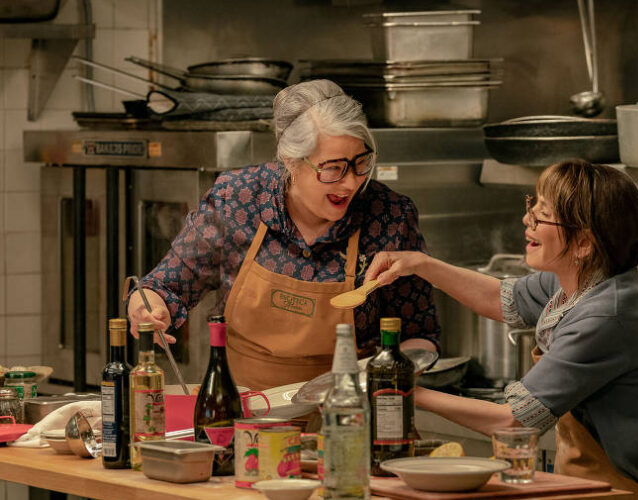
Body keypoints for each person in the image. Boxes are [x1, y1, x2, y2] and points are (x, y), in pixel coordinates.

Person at [365, 160, 638, 500]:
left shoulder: (605, 317)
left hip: (629, 492)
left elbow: (514, 423)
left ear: (583, 244)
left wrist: (402, 391)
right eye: (533, 206)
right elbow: (500, 298)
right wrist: (420, 264)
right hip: (590, 487)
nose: (526, 220)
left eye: (542, 215)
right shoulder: (580, 279)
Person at [128, 79, 439, 391]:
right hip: (243, 408)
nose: (350, 183)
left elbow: (420, 334)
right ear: (291, 161)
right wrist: (148, 309)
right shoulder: (237, 199)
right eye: (333, 168)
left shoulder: (389, 216)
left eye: (361, 163)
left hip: (350, 409)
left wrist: (397, 374)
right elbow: (164, 286)